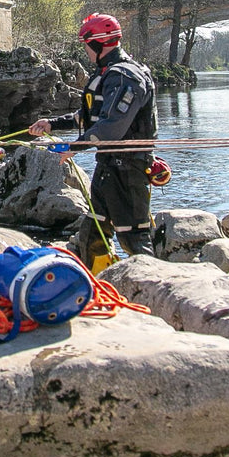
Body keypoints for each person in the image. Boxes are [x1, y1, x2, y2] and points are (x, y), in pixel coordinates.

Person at [28, 14, 157, 271]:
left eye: (86, 45)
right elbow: (89, 117)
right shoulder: (108, 74)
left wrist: (73, 148)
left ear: (98, 44)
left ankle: (154, 285)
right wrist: (53, 124)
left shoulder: (125, 76)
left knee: (134, 236)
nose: (85, 51)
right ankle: (95, 281)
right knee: (93, 232)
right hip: (109, 166)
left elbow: (112, 126)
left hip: (129, 169)